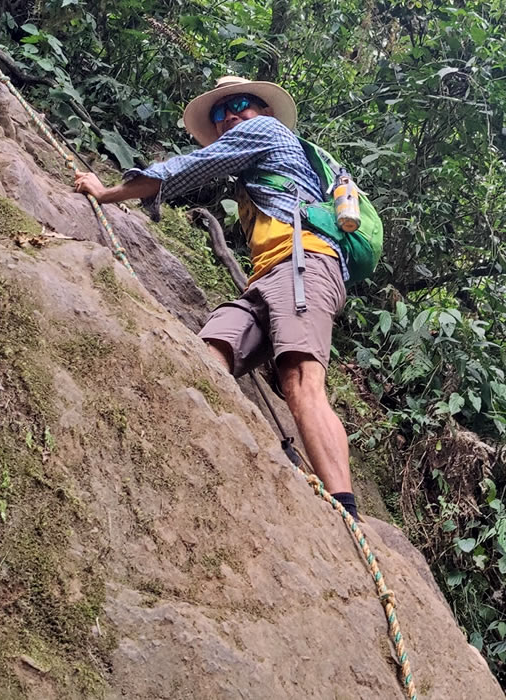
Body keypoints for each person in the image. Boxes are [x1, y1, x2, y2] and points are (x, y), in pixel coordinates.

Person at [74, 76, 359, 519]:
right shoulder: (255, 164)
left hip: (305, 265)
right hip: (268, 277)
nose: (229, 116)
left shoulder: (265, 132)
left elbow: (186, 169)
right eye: (220, 113)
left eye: (240, 104)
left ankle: (347, 513)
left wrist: (107, 193)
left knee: (300, 377)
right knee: (212, 351)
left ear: (262, 111)